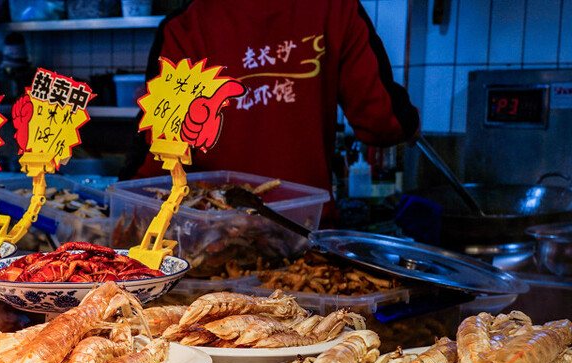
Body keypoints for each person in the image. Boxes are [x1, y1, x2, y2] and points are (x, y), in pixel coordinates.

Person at [121, 0, 419, 212]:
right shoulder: (336, 8)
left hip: (214, 242)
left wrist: (119, 198)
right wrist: (410, 123)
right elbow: (381, 120)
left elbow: (158, 146)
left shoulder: (187, 24)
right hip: (304, 234)